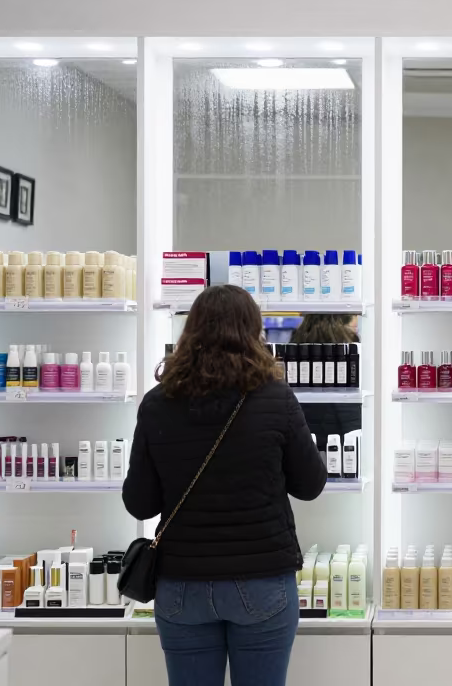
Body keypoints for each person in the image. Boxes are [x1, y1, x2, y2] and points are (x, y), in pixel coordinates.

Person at [123, 285, 327, 686]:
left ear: (190, 332)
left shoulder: (157, 403)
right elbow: (310, 485)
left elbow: (140, 503)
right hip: (262, 580)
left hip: (182, 584)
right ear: (254, 334)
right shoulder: (276, 398)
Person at [289, 314, 361, 446]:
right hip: (339, 436)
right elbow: (348, 408)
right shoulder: (347, 346)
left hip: (304, 432)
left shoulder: (298, 340)